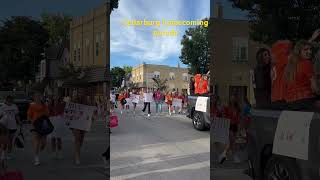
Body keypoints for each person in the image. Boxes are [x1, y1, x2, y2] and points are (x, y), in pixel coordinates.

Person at [284, 40, 320, 110]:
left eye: (310, 49)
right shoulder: (307, 63)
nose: (309, 52)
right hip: (305, 101)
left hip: (290, 103)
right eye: (306, 49)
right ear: (299, 51)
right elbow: (315, 88)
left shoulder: (290, 66)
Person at [27, 92, 49, 166]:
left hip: (43, 125)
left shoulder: (44, 105)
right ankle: (36, 158)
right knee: (36, 141)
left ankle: (39, 149)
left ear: (41, 97)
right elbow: (29, 115)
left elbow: (47, 114)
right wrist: (30, 121)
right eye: (36, 97)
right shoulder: (32, 106)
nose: (37, 98)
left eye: (39, 96)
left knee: (44, 143)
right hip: (35, 125)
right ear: (34, 98)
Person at [218, 95, 241, 164]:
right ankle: (230, 156)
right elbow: (224, 115)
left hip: (235, 125)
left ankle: (224, 154)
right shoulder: (227, 107)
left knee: (233, 142)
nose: (233, 100)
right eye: (232, 98)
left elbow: (239, 117)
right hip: (229, 125)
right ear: (230, 100)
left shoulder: (237, 108)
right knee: (231, 141)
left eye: (234, 98)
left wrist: (239, 126)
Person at [270, 40, 293, 107]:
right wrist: (311, 40)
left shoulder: (276, 65)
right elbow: (296, 55)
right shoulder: (281, 61)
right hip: (281, 98)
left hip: (276, 97)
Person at [0, 95, 20, 160]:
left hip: (13, 126)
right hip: (4, 126)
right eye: (8, 100)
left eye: (11, 100)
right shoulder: (2, 107)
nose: (10, 101)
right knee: (5, 141)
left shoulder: (14, 106)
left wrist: (19, 122)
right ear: (6, 100)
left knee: (10, 141)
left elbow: (17, 115)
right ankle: (3, 154)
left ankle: (8, 154)